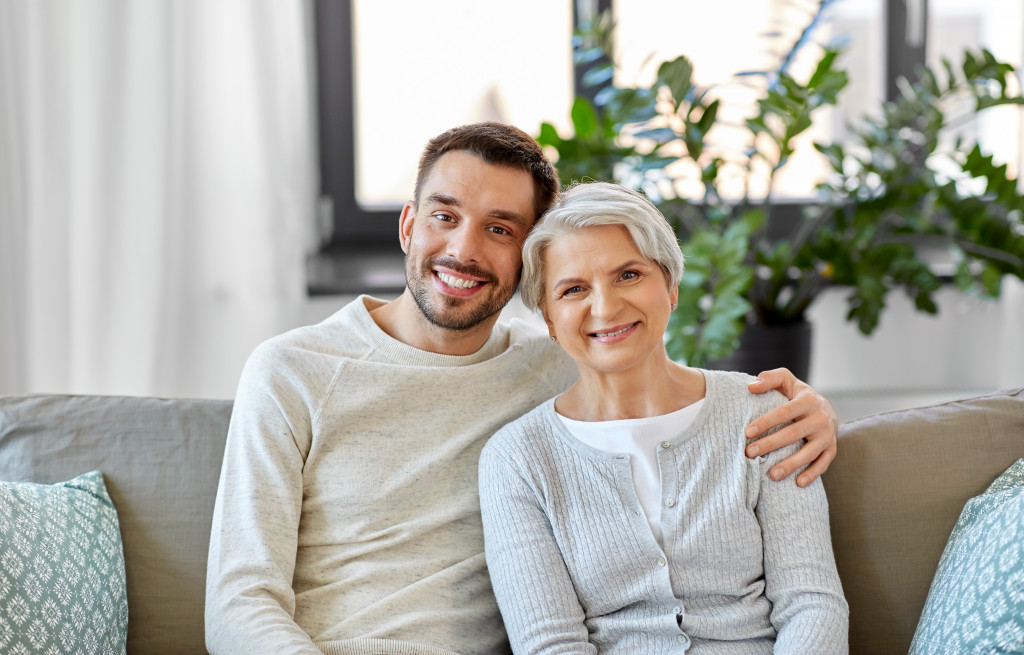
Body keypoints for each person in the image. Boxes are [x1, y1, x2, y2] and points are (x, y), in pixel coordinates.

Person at [205, 123, 840, 655]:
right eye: (444, 217)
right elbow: (239, 603)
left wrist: (811, 411)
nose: (463, 250)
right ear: (407, 225)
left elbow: (666, 386)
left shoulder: (559, 359)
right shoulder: (293, 370)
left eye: (500, 229)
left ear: (529, 262)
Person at [479, 181, 848, 654]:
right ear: (549, 319)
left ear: (671, 286)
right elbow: (550, 644)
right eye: (573, 289)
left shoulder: (766, 413)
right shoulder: (516, 460)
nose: (606, 307)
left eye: (629, 275)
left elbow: (812, 604)